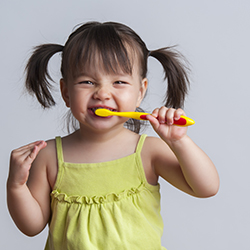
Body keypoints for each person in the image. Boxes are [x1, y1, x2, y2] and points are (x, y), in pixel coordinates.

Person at [7, 21, 219, 250]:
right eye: (87, 82)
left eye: (119, 82)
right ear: (66, 92)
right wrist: (16, 187)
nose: (102, 93)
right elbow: (32, 227)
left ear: (140, 92)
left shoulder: (148, 152)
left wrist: (179, 142)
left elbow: (206, 188)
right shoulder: (48, 156)